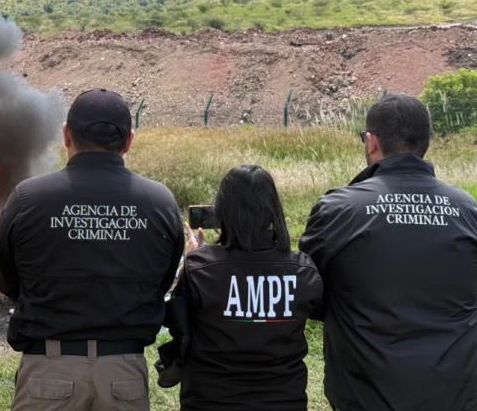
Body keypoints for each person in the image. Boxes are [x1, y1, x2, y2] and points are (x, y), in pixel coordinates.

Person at [0, 88, 184, 411]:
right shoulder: (159, 202)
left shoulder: (28, 198)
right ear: (129, 141)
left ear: (66, 134)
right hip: (123, 376)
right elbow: (162, 281)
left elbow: (4, 277)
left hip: (48, 372)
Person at [299, 93, 477, 411]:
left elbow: (310, 295)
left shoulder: (337, 209)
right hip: (454, 391)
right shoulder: (469, 210)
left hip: (364, 390)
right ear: (426, 143)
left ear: (371, 141)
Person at [158, 165, 323, 411]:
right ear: (272, 210)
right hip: (283, 399)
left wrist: (190, 262)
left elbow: (178, 327)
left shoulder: (200, 268)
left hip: (211, 399)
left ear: (222, 211)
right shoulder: (303, 270)